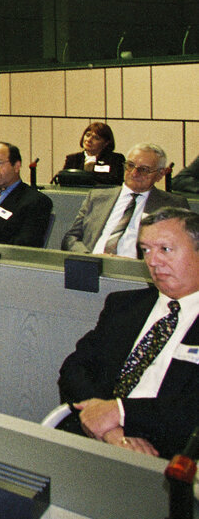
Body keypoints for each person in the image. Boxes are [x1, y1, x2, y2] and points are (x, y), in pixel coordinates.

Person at [58, 208, 199, 458]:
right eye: (146, 250)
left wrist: (121, 413)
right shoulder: (124, 306)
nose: (152, 261)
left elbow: (190, 409)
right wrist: (108, 429)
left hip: (169, 454)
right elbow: (74, 369)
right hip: (95, 437)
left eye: (165, 249)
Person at [61, 143, 188, 256]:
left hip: (136, 275)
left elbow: (180, 249)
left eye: (143, 170)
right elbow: (71, 238)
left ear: (160, 174)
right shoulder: (97, 197)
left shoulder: (173, 205)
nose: (134, 173)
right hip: (93, 268)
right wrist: (90, 257)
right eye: (130, 165)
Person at [59, 121, 125, 186]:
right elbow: (64, 181)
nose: (89, 140)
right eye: (88, 135)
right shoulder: (73, 159)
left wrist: (90, 174)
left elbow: (115, 181)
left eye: (96, 138)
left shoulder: (115, 159)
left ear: (106, 143)